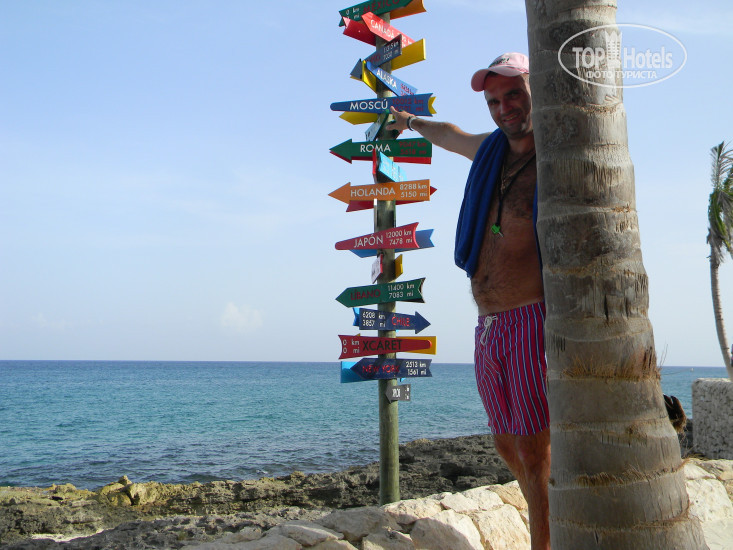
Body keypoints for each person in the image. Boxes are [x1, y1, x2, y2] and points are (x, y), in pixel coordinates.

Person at [388, 52, 550, 549]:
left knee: (534, 447)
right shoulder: (490, 152)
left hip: (532, 319)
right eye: (494, 101)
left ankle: (544, 541)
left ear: (537, 90)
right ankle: (549, 512)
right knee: (504, 440)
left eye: (514, 94)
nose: (504, 108)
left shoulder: (555, 155)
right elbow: (448, 134)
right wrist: (409, 120)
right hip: (489, 326)